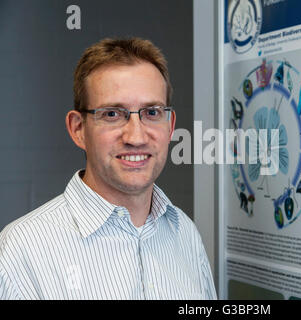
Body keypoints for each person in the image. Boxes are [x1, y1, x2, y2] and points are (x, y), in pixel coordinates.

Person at [0, 38, 217, 300]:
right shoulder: (20, 251)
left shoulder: (185, 233)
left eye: (151, 112)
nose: (136, 137)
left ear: (170, 127)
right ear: (78, 129)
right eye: (113, 114)